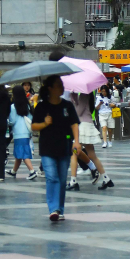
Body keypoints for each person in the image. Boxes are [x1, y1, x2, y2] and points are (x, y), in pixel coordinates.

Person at [32, 75, 81, 222]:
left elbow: (74, 124)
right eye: (59, 85)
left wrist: (76, 141)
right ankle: (53, 209)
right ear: (50, 88)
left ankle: (60, 208)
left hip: (64, 146)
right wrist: (45, 124)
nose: (62, 88)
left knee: (61, 179)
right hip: (47, 147)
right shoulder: (42, 106)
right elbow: (34, 126)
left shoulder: (67, 105)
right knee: (51, 177)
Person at [66, 92, 113, 191]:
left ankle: (73, 181)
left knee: (74, 153)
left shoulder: (84, 95)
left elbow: (78, 112)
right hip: (86, 125)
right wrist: (74, 97)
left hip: (83, 126)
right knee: (92, 154)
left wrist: (73, 101)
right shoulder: (86, 95)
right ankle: (106, 178)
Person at [8, 85, 37, 180]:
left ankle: (32, 171)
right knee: (19, 153)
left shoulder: (13, 107)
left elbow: (12, 121)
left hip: (18, 133)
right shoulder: (27, 105)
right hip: (26, 132)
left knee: (23, 153)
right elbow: (31, 118)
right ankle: (13, 171)